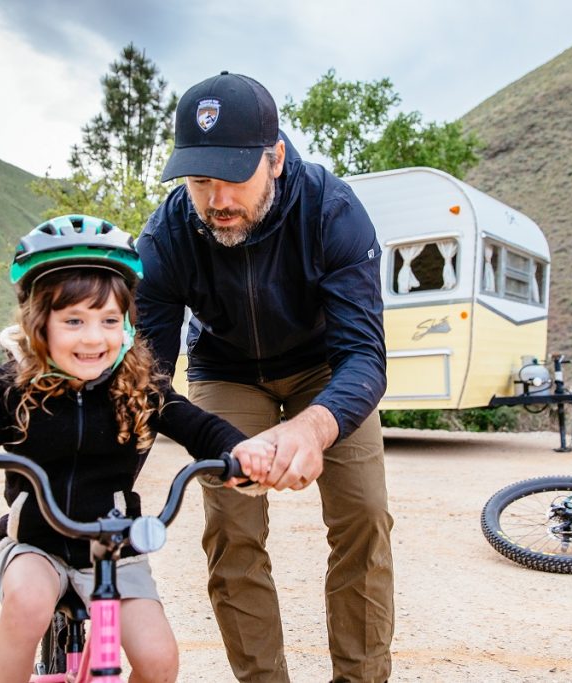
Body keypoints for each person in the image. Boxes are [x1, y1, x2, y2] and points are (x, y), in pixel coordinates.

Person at [0, 215, 274, 683]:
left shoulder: (142, 383)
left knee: (159, 659)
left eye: (108, 320)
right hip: (35, 546)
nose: (93, 337)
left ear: (127, 322)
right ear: (39, 323)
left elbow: (199, 427)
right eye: (74, 320)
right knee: (28, 605)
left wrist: (241, 452)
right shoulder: (10, 386)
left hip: (115, 548)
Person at [136, 72, 394, 682]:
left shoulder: (334, 211)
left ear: (275, 159)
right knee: (232, 528)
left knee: (363, 515)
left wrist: (312, 430)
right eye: (200, 181)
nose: (217, 199)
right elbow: (143, 381)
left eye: (232, 177)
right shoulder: (166, 236)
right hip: (226, 370)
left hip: (324, 369)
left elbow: (365, 355)